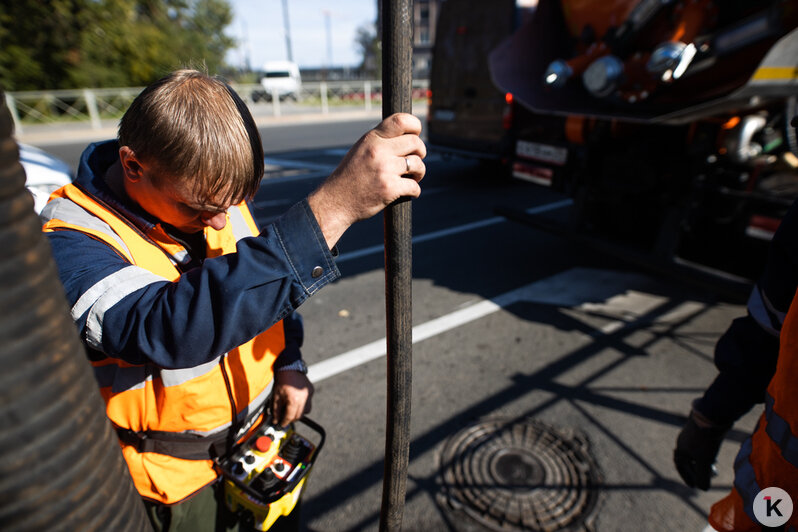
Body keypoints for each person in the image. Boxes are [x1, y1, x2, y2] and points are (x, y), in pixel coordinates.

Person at [40, 69, 426, 531]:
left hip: (259, 444)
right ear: (132, 165)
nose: (221, 222)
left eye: (234, 202)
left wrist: (289, 362)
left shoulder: (215, 191)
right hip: (175, 487)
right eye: (200, 209)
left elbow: (256, 291)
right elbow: (165, 327)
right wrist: (335, 206)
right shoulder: (68, 239)